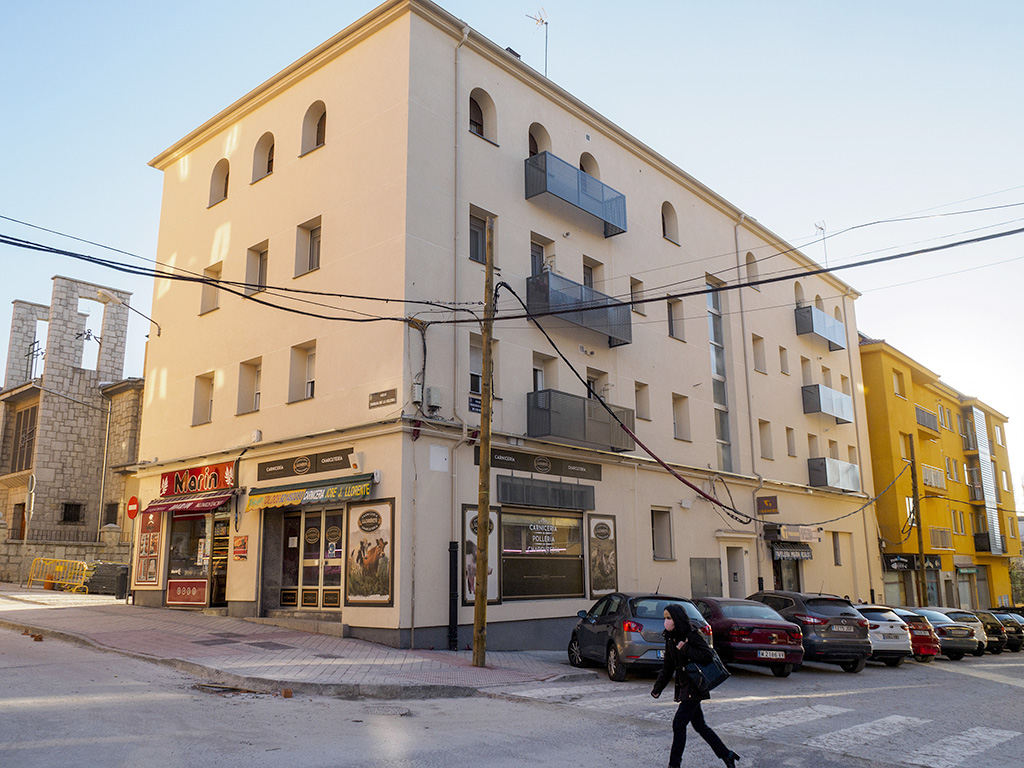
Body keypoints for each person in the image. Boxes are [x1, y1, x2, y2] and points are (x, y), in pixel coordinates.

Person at [651, 603, 740, 768]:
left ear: (677, 619)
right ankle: (727, 755)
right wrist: (658, 688)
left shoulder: (691, 634)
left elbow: (707, 655)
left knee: (679, 724)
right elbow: (668, 666)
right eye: (664, 618)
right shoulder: (670, 638)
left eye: (669, 618)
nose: (666, 621)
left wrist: (685, 648)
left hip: (695, 685)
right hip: (685, 685)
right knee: (700, 726)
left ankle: (674, 764)